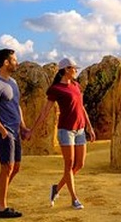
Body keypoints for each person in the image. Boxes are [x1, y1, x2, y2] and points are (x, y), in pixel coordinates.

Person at [29, 57, 96, 209]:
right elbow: (45, 111)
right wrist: (33, 129)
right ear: (66, 70)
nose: (76, 71)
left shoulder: (76, 85)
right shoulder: (56, 89)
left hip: (80, 129)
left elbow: (82, 107)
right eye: (74, 68)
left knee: (80, 164)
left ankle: (56, 189)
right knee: (69, 165)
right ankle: (74, 199)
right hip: (66, 130)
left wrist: (89, 127)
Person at [0, 48, 30, 219]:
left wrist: (23, 127)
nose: (17, 63)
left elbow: (16, 106)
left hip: (15, 132)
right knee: (7, 168)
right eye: (14, 60)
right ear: (6, 62)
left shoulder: (13, 83)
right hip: (4, 133)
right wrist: (2, 130)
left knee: (15, 167)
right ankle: (2, 208)